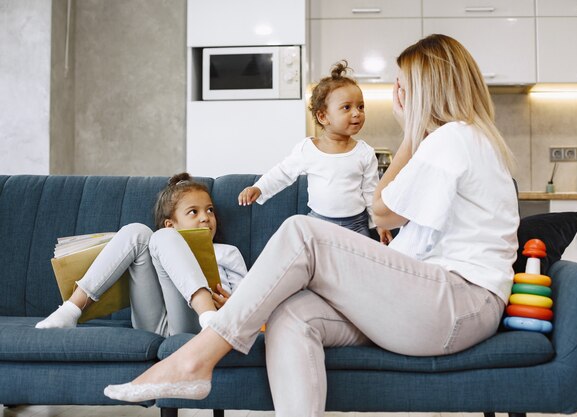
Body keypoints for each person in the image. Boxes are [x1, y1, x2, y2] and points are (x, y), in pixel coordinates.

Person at [103, 34, 520, 416]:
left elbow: (381, 211)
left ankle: (196, 358)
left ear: (421, 92)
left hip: (458, 305)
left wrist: (411, 133)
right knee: (292, 314)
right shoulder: (459, 142)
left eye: (401, 86)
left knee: (302, 231)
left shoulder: (453, 138)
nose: (396, 96)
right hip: (434, 306)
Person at [36, 173, 247, 336]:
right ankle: (70, 310)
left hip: (194, 326)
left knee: (162, 237)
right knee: (139, 232)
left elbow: (253, 303)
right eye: (194, 211)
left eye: (210, 210)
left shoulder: (228, 253)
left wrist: (233, 306)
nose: (206, 218)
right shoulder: (162, 239)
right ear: (171, 223)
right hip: (153, 324)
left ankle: (208, 316)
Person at [238, 61, 393, 244]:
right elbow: (283, 172)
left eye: (360, 107)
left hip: (356, 225)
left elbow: (370, 192)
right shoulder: (308, 149)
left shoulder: (365, 152)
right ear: (323, 116)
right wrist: (260, 187)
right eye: (347, 107)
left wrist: (380, 223)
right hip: (319, 222)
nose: (357, 113)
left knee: (357, 268)